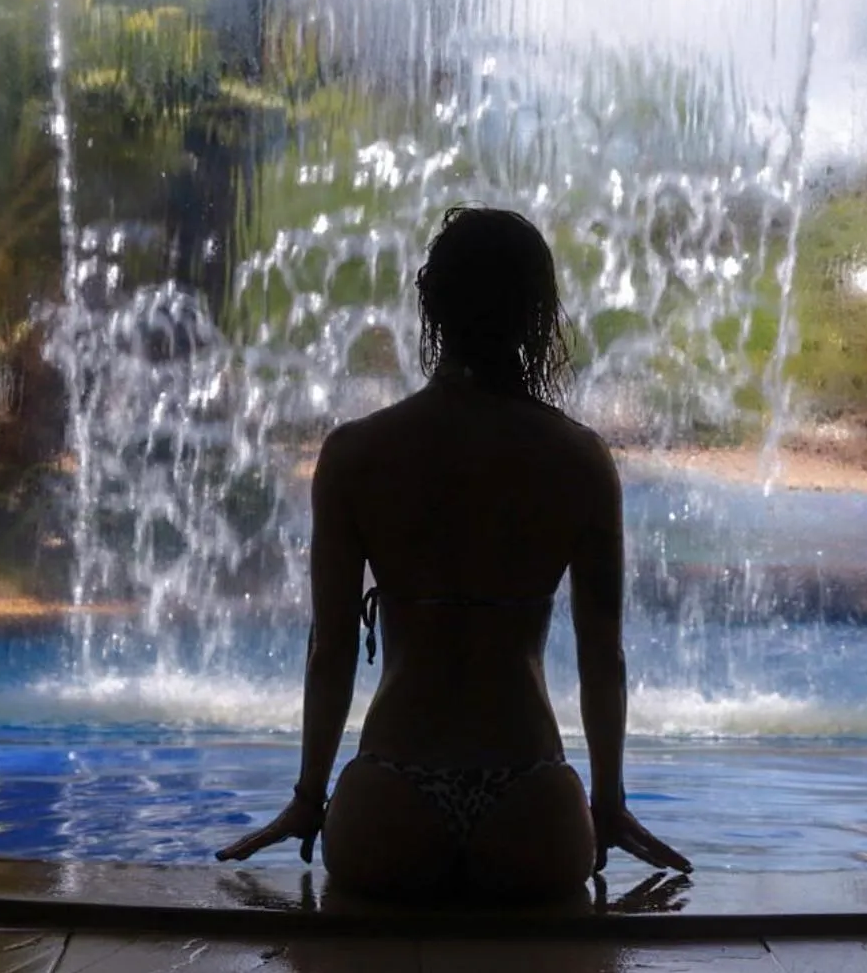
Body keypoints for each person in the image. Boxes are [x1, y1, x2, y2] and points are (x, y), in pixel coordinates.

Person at [217, 204, 691, 901]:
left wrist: (308, 794)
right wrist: (609, 805)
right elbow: (602, 657)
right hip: (532, 800)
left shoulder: (357, 454)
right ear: (538, 313)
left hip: (389, 795)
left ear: (430, 305)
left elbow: (332, 650)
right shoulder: (578, 459)